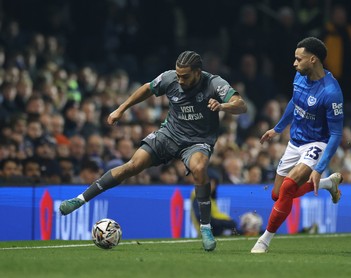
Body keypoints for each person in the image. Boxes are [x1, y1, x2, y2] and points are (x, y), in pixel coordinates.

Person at [59, 50, 247, 252]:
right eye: (178, 75)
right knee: (132, 165)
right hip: (169, 135)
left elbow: (241, 105)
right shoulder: (170, 78)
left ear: (198, 72)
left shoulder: (214, 83)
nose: (180, 80)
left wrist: (223, 106)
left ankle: (206, 227)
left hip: (198, 141)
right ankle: (79, 199)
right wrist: (121, 109)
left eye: (185, 76)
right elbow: (147, 89)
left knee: (199, 168)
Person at [250, 37, 344, 253]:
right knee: (277, 195)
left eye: (298, 59)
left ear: (313, 59)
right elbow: (295, 101)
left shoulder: (331, 93)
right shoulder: (299, 76)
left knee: (289, 188)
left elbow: (337, 134)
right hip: (295, 142)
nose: (294, 63)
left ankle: (264, 240)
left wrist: (319, 168)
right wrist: (278, 128)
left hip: (317, 143)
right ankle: (329, 184)